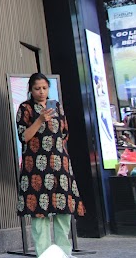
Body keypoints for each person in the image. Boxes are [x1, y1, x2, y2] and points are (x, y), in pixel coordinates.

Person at [16, 73, 85, 257]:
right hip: (35, 167)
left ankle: (64, 253)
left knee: (63, 210)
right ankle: (44, 253)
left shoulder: (56, 106)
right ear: (30, 90)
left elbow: (64, 133)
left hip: (59, 165)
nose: (41, 92)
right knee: (39, 212)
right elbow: (24, 136)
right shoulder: (25, 108)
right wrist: (39, 120)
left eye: (44, 88)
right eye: (37, 88)